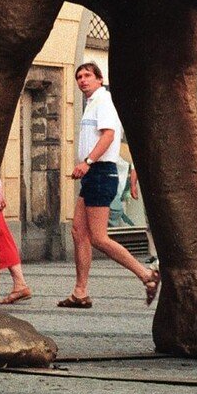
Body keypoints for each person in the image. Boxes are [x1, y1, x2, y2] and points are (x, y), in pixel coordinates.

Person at [59, 62, 159, 308]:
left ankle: (147, 275)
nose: (83, 80)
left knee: (99, 237)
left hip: (101, 172)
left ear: (99, 79)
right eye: (79, 76)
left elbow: (109, 135)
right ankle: (80, 292)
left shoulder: (104, 101)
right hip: (93, 174)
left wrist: (88, 162)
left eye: (88, 76)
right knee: (78, 232)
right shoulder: (92, 102)